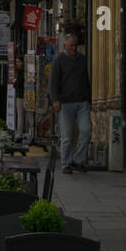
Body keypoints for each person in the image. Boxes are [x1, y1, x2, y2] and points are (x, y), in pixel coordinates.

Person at [49, 33, 91, 173]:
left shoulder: (82, 59)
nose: (74, 48)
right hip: (65, 103)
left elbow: (87, 78)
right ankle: (66, 163)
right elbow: (53, 81)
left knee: (86, 130)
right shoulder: (59, 60)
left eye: (75, 45)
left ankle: (78, 160)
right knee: (67, 135)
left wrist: (88, 97)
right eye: (71, 46)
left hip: (82, 102)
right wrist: (55, 100)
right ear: (65, 45)